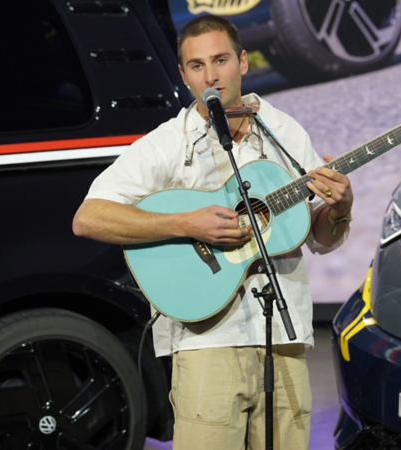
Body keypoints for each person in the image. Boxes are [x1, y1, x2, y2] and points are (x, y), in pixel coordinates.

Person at [72, 14, 353, 450]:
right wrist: (183, 222)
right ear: (183, 75)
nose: (211, 75)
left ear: (242, 62)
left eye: (220, 60)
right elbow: (89, 217)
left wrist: (341, 208)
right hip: (205, 341)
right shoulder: (167, 143)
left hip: (282, 334)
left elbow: (320, 238)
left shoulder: (283, 133)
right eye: (197, 65)